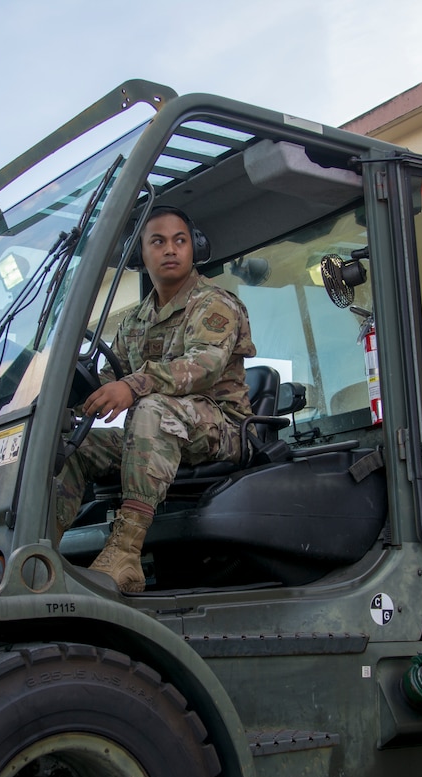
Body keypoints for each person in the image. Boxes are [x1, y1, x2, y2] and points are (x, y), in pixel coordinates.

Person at [53, 206, 256, 592]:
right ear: (140, 255)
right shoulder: (134, 321)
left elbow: (203, 366)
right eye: (158, 242)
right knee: (72, 447)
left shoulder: (215, 303)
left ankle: (125, 552)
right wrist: (67, 396)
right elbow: (109, 380)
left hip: (223, 429)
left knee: (151, 407)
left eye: (180, 241)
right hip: (159, 433)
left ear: (193, 249)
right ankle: (43, 544)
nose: (171, 250)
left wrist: (134, 386)